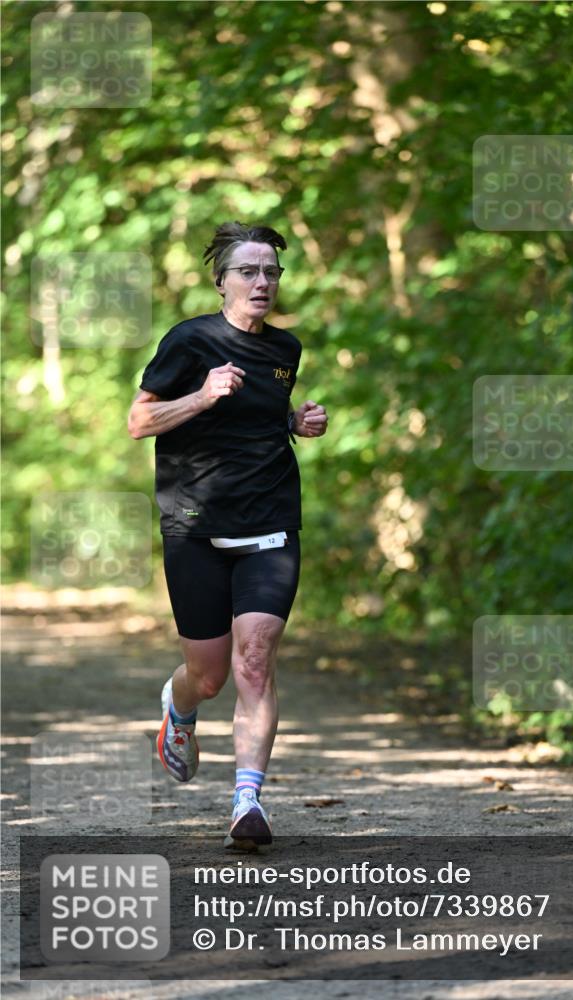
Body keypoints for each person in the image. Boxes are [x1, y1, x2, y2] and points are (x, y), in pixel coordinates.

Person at [127, 221, 328, 848]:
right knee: (209, 675)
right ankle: (180, 706)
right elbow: (139, 421)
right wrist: (202, 396)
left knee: (255, 659)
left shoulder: (286, 350)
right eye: (248, 271)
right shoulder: (189, 341)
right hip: (195, 524)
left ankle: (247, 803)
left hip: (270, 520)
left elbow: (261, 417)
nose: (261, 281)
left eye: (271, 271)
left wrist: (295, 421)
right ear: (221, 282)